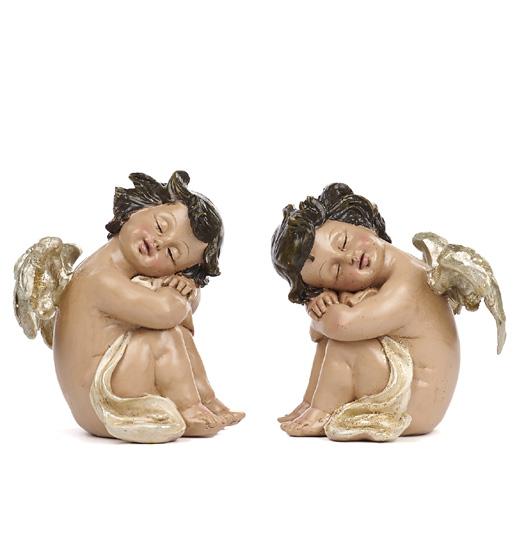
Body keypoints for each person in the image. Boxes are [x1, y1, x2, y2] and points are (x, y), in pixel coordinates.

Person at [18, 171, 244, 442]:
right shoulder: (99, 277)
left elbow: (176, 308)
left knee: (179, 334)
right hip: (95, 399)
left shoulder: (129, 273)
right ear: (137, 208)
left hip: (112, 374)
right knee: (163, 337)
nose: (159, 243)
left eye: (172, 254)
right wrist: (180, 296)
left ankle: (206, 400)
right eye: (161, 226)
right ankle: (189, 410)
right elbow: (165, 312)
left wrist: (187, 289)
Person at [271, 183, 463, 439]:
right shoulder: (382, 276)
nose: (349, 258)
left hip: (417, 402)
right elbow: (329, 330)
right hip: (404, 377)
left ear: (358, 221)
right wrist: (325, 304)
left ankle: (322, 412)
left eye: (343, 241)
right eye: (336, 272)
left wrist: (317, 318)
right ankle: (311, 403)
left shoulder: (408, 284)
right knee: (331, 342)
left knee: (344, 347)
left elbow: (342, 325)